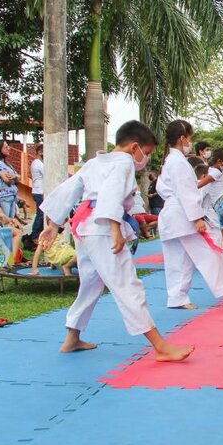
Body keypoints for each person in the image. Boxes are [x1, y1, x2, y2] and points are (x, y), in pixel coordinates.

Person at [38, 120, 194, 360]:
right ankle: (161, 347)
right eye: (147, 153)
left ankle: (72, 338)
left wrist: (53, 224)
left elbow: (69, 190)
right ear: (134, 147)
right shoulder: (123, 163)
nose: (144, 159)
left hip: (85, 227)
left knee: (91, 283)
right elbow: (111, 194)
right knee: (126, 283)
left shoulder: (94, 163)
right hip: (102, 228)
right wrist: (114, 229)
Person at [156, 120, 223, 310]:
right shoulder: (177, 163)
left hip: (173, 215)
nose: (190, 142)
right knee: (210, 248)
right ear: (182, 138)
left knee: (179, 258)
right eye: (190, 138)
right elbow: (187, 191)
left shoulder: (171, 161)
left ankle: (178, 298)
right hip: (183, 215)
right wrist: (197, 218)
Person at [0, 139, 20, 220]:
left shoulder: (6, 164)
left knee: (11, 222)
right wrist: (15, 177)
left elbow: (18, 178)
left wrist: (15, 176)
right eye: (6, 147)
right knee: (5, 221)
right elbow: (7, 179)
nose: (9, 148)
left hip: (12, 197)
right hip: (4, 197)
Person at [28, 144, 45, 245]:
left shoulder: (37, 163)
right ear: (40, 152)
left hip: (39, 190)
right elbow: (48, 173)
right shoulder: (38, 163)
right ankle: (34, 235)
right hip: (39, 191)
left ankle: (37, 235)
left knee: (41, 214)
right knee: (40, 214)